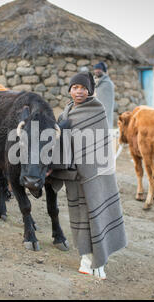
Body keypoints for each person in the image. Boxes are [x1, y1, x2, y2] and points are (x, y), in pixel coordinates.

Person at [49, 72, 127, 280]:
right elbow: (60, 142)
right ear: (70, 90)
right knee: (79, 217)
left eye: (83, 88)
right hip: (74, 176)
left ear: (90, 90)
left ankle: (99, 263)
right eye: (75, 87)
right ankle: (86, 261)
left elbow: (98, 145)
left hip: (93, 176)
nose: (79, 91)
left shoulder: (97, 110)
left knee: (96, 215)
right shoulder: (66, 113)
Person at [93, 62, 115, 129]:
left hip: (105, 109)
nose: (97, 71)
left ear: (103, 70)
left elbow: (108, 100)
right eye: (96, 69)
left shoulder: (108, 83)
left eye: (99, 69)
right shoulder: (93, 82)